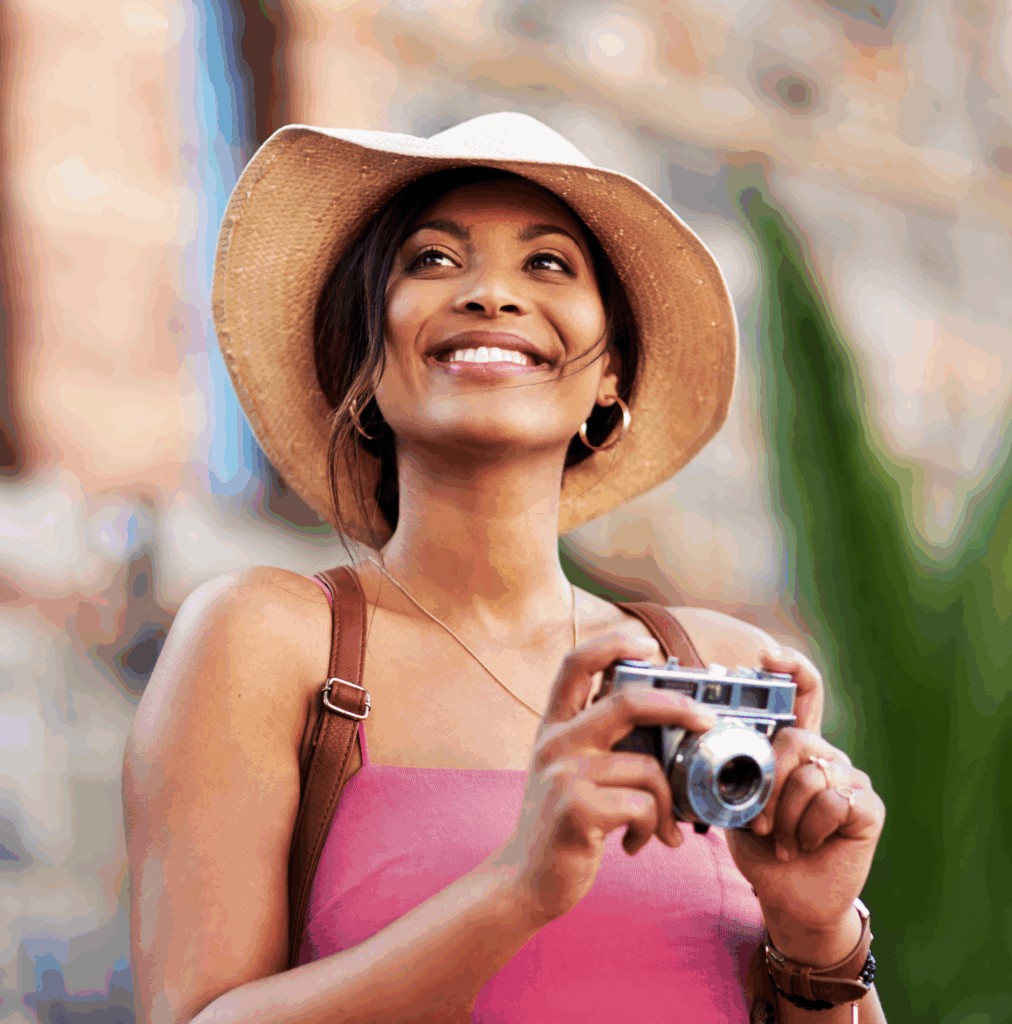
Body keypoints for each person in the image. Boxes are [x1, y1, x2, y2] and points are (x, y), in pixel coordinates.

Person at [123, 113, 887, 1024]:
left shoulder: (714, 664)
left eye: (550, 264)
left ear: (612, 374)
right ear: (366, 362)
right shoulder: (269, 639)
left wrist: (819, 933)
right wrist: (517, 889)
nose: (490, 294)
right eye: (433, 261)